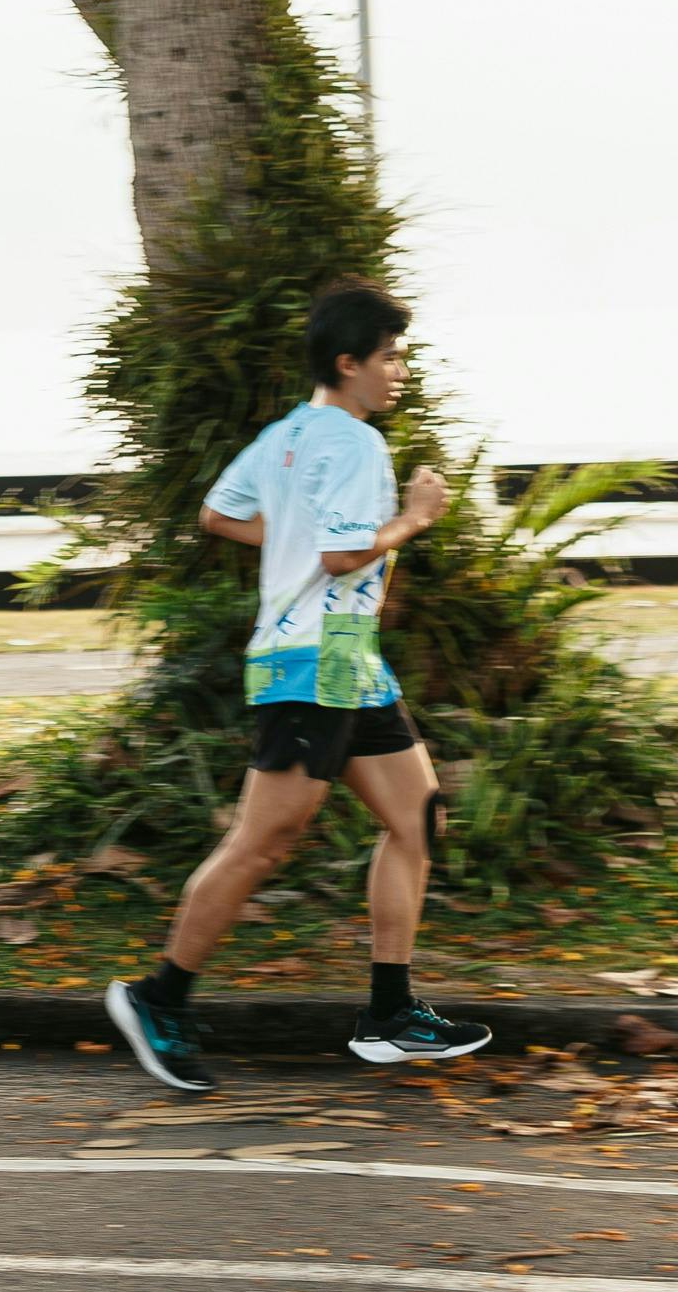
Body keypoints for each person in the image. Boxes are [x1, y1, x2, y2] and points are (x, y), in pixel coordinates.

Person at [103, 279, 492, 1095]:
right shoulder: (352, 444)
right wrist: (417, 515)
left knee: (416, 819)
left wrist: (301, 541)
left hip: (349, 658)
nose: (400, 371)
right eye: (389, 357)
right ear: (348, 363)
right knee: (263, 840)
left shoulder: (285, 435)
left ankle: (390, 1013)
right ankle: (156, 997)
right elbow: (347, 555)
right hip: (312, 661)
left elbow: (218, 513)